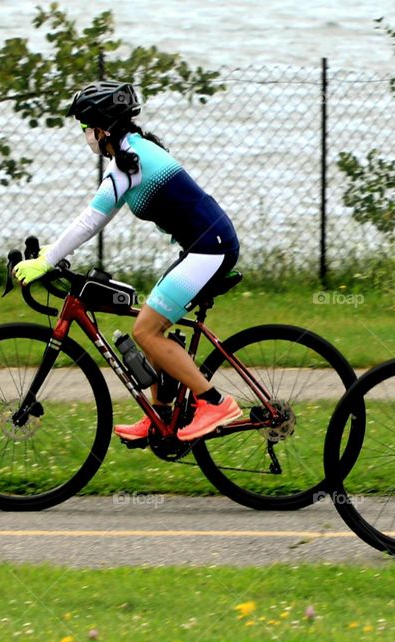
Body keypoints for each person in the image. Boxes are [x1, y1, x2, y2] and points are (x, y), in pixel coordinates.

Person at [14, 80, 243, 442]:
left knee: (145, 331)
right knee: (152, 323)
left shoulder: (129, 164)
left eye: (87, 128)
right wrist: (49, 256)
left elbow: (92, 220)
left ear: (103, 128)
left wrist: (47, 260)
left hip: (209, 249)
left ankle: (214, 403)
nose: (87, 135)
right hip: (201, 247)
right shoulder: (134, 151)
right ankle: (161, 419)